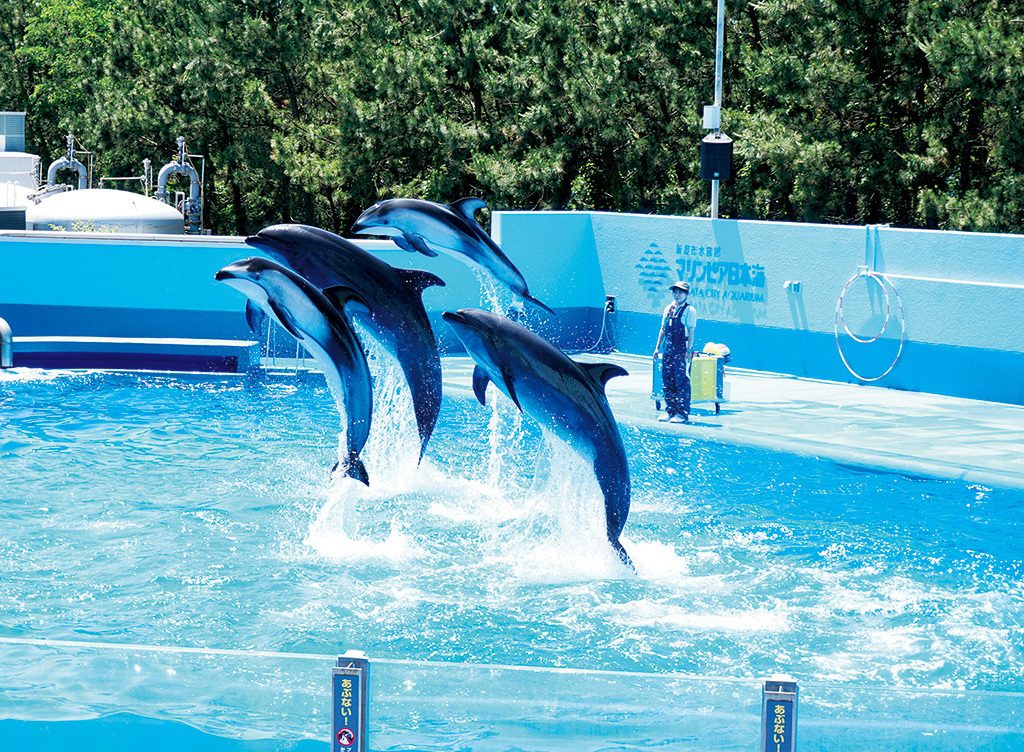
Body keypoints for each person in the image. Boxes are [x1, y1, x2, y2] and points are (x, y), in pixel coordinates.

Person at [653, 281, 697, 423]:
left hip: (681, 350)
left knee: (681, 381)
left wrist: (689, 350)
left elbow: (690, 331)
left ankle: (682, 414)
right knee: (667, 380)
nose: (677, 294)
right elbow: (662, 329)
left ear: (686, 294)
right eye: (675, 291)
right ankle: (669, 411)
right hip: (668, 349)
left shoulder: (689, 311)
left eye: (681, 292)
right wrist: (657, 348)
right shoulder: (668, 309)